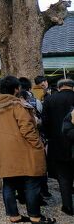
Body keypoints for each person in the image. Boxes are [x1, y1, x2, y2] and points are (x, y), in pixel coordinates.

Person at [0, 75, 55, 224]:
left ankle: (14, 216)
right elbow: (27, 129)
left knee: (9, 183)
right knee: (31, 182)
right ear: (16, 89)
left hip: (3, 151)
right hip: (22, 150)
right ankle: (35, 217)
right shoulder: (17, 105)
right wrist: (38, 145)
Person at [42, 78, 74, 216]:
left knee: (63, 176)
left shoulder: (50, 99)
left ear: (59, 87)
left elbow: (45, 122)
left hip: (57, 142)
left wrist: (49, 137)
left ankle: (67, 206)